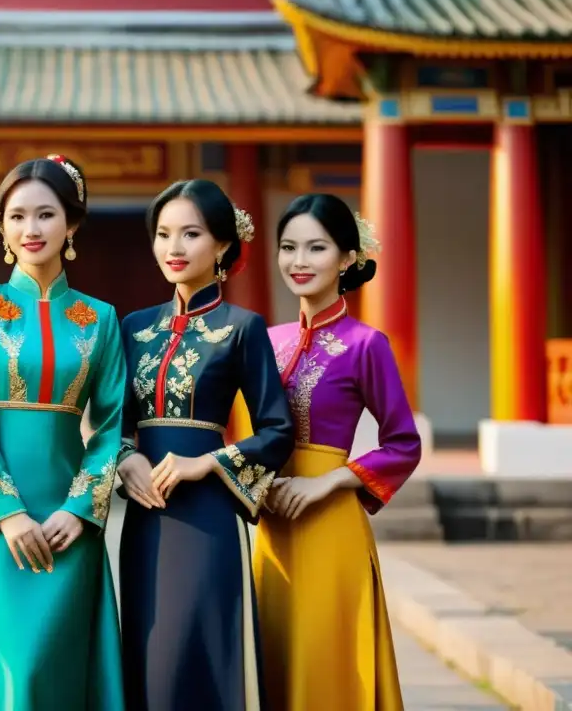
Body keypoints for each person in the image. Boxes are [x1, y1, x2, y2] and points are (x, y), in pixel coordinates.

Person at [0, 155, 125, 711]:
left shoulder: (102, 318)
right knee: (13, 664)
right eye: (17, 216)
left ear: (72, 225)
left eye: (46, 215)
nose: (31, 229)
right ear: (2, 228)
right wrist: (7, 510)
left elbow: (112, 425)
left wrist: (80, 508)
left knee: (54, 664)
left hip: (71, 520)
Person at [117, 179, 294, 710]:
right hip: (147, 517)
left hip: (207, 517)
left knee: (197, 651)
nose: (173, 248)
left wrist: (207, 464)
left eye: (190, 234)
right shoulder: (134, 328)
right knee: (148, 652)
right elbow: (114, 424)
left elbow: (277, 429)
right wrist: (125, 460)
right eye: (163, 234)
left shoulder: (242, 328)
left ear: (221, 245)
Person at [255, 192, 421, 710]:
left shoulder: (366, 344)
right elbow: (247, 434)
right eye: (288, 247)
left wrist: (328, 481)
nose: (299, 261)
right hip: (272, 525)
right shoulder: (266, 338)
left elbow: (403, 443)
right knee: (276, 659)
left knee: (327, 665)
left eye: (316, 248)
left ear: (347, 258)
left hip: (331, 526)